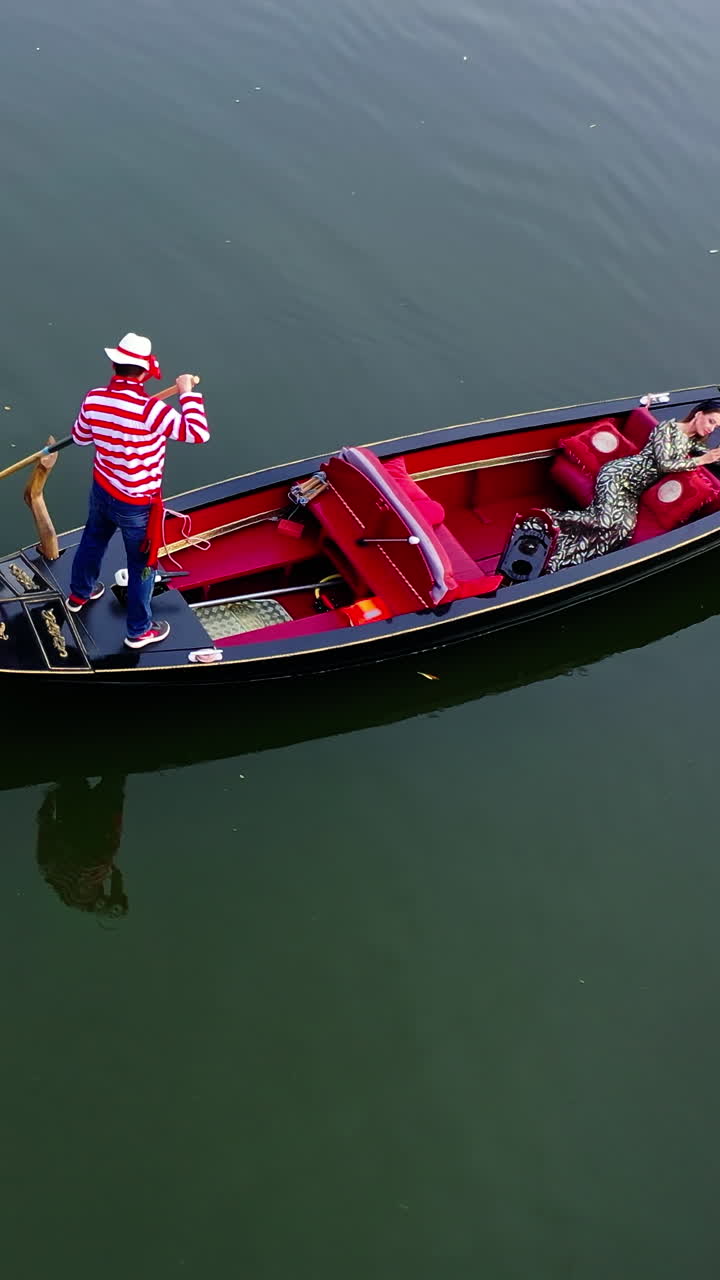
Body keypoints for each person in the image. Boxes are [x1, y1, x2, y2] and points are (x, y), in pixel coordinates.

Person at [67, 332, 210, 648]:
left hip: (103, 489)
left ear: (114, 365)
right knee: (143, 565)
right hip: (136, 504)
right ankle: (139, 631)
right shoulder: (152, 411)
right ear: (145, 372)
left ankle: (80, 593)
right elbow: (198, 433)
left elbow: (79, 437)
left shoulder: (94, 399)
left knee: (92, 539)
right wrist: (186, 392)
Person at [519, 398, 720, 573]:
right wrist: (702, 461)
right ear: (699, 414)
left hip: (633, 491)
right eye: (711, 421)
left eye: (716, 427)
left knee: (622, 529)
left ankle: (563, 557)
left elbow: (709, 455)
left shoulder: (691, 442)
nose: (711, 428)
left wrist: (712, 457)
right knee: (605, 521)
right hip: (618, 475)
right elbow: (664, 463)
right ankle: (542, 520)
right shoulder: (667, 428)